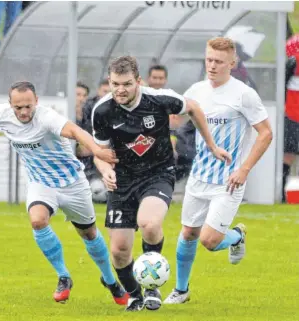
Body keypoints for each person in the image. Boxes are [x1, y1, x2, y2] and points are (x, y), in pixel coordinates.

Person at [0, 81, 129, 305]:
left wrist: (98, 151)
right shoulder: (3, 114)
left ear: (36, 102)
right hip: (40, 183)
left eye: (28, 106)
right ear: (10, 104)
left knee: (89, 234)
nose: (23, 112)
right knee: (38, 221)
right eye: (18, 107)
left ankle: (110, 280)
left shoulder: (46, 117)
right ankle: (63, 276)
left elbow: (75, 131)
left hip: (72, 183)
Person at [91, 56, 231, 312]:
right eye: (115, 84)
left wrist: (211, 146)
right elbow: (100, 153)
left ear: (139, 82)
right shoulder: (102, 110)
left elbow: (194, 108)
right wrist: (105, 171)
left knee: (150, 222)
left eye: (126, 84)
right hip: (121, 180)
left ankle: (152, 287)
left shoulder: (160, 99)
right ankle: (134, 294)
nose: (120, 90)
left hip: (158, 173)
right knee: (120, 250)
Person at [163, 37, 273, 304]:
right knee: (188, 233)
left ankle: (236, 236)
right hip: (199, 177)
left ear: (232, 64)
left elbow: (266, 133)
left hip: (229, 181)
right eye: (209, 59)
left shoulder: (244, 94)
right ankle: (181, 290)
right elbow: (175, 118)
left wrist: (244, 170)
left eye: (219, 62)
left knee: (209, 241)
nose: (212, 66)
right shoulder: (197, 90)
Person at [282, 34, 299, 202]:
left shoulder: (292, 60)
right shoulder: (293, 62)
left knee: (288, 154)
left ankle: (281, 192)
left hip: (292, 114)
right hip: (293, 114)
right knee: (288, 154)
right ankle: (281, 191)